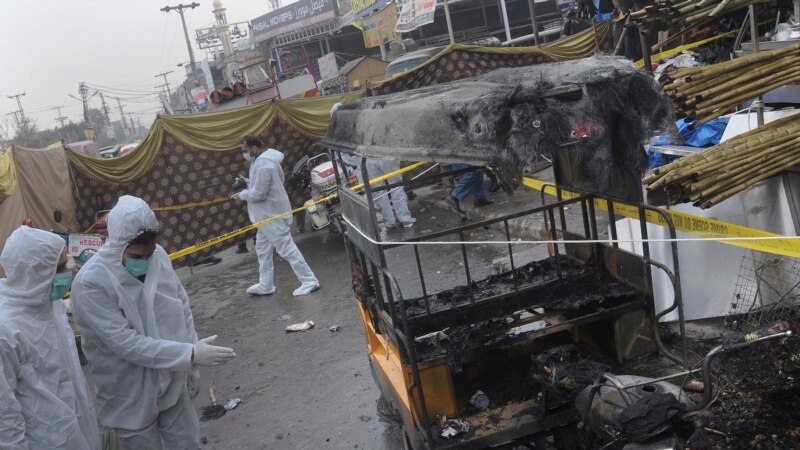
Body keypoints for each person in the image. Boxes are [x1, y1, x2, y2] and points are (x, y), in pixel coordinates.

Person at [71, 195, 236, 450]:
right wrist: (189, 354)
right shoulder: (91, 284)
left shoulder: (157, 255)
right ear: (117, 245)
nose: (146, 260)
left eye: (149, 252)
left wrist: (190, 350)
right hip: (129, 390)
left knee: (188, 443)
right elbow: (126, 344)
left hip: (171, 378)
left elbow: (179, 303)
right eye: (138, 255)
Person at [0, 226, 100, 450]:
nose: (70, 268)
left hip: (74, 430)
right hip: (42, 441)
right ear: (35, 272)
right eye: (62, 266)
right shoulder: (6, 327)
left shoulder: (46, 303)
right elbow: (4, 414)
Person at [233, 136, 319, 296]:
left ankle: (309, 281)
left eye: (245, 151)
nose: (244, 154)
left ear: (254, 148)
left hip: (271, 215)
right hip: (266, 216)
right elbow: (272, 183)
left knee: (287, 249)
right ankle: (266, 285)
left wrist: (242, 194)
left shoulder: (263, 165)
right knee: (262, 250)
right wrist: (248, 183)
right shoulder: (263, 162)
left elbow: (259, 193)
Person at [365, 159, 416, 230]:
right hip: (387, 157)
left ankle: (389, 223)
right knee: (396, 186)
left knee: (379, 191)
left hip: (370, 159)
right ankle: (405, 220)